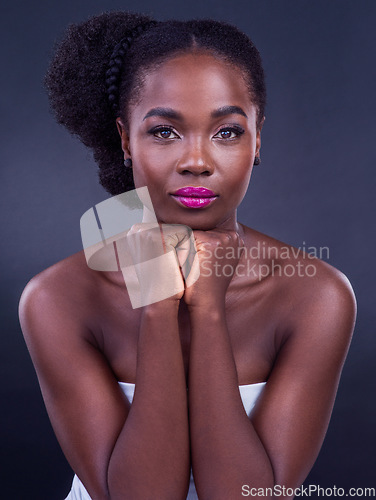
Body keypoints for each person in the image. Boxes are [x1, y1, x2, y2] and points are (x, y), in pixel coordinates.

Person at [18, 11, 356, 500]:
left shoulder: (316, 294)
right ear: (124, 140)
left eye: (227, 132)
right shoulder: (58, 296)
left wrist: (209, 311)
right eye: (163, 132)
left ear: (257, 139)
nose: (196, 161)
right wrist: (157, 302)